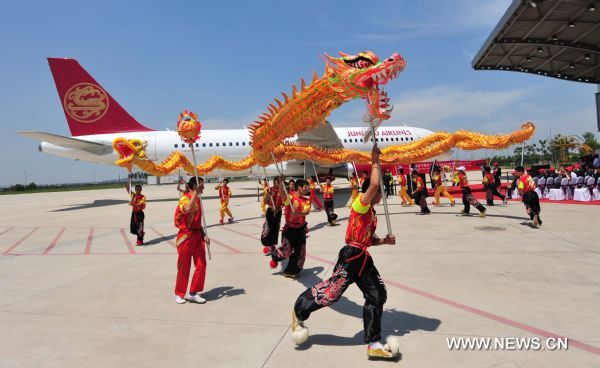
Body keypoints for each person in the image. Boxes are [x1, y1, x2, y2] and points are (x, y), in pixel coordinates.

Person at [291, 145, 399, 360]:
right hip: (350, 256)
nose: (382, 193)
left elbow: (367, 240)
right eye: (380, 191)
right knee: (332, 293)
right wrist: (375, 159)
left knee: (377, 295)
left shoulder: (372, 213)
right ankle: (299, 310)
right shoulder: (360, 203)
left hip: (363, 258)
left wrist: (384, 242)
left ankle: (374, 342)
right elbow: (375, 182)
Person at [174, 177, 209, 304]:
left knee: (201, 265)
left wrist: (204, 234)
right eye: (201, 185)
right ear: (194, 186)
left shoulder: (199, 199)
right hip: (186, 237)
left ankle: (193, 293)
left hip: (197, 236)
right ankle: (179, 293)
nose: (203, 187)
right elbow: (187, 209)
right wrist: (195, 193)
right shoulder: (185, 197)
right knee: (184, 266)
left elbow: (197, 221)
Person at [270, 179, 311, 278]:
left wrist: (299, 214)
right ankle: (275, 256)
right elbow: (282, 194)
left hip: (300, 230)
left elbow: (307, 211)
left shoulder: (305, 200)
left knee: (300, 253)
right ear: (299, 187)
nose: (307, 189)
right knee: (286, 252)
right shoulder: (290, 197)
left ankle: (291, 271)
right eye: (305, 187)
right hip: (289, 229)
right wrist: (280, 182)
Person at [261, 176, 283, 256]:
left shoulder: (282, 190)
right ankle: (269, 245)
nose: (280, 183)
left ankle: (272, 245)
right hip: (270, 211)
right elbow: (265, 201)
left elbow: (284, 202)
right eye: (279, 181)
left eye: (280, 181)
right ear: (274, 181)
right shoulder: (269, 189)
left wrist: (278, 209)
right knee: (268, 228)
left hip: (278, 212)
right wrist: (269, 195)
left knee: (275, 228)